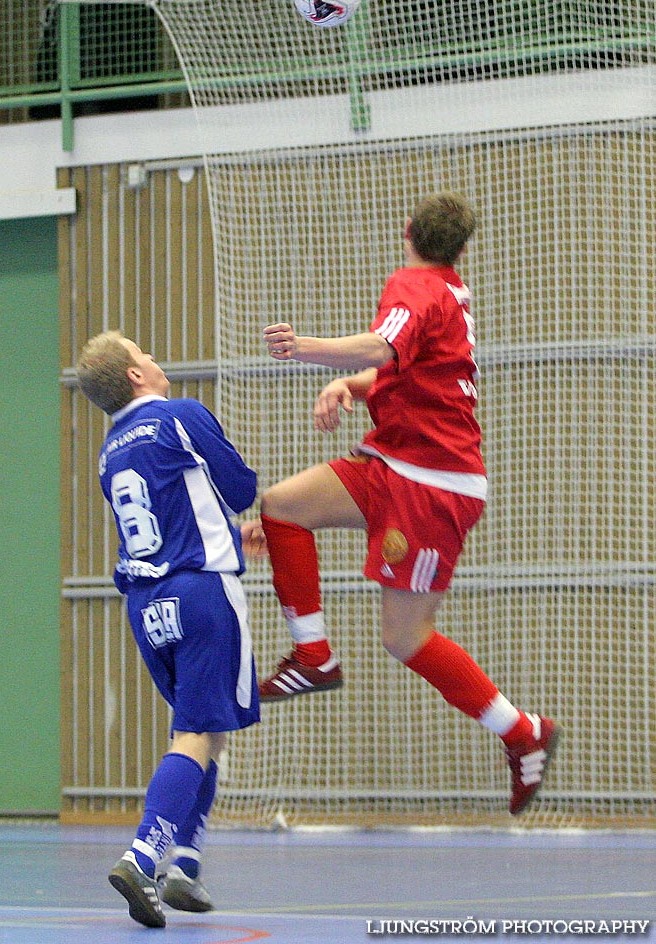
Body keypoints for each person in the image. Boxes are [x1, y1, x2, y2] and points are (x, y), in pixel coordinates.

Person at [258, 192, 558, 815]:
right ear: (462, 247)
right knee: (283, 506)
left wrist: (303, 347)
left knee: (405, 636)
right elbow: (400, 370)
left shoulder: (417, 285)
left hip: (432, 486)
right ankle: (313, 655)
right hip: (393, 463)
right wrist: (346, 383)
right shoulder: (448, 292)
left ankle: (521, 730)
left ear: (407, 232)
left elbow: (381, 348)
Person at [76, 331, 263, 927]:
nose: (156, 359)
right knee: (197, 735)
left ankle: (185, 864)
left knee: (204, 728)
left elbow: (171, 516)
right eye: (145, 353)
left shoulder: (110, 451)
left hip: (146, 603)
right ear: (135, 375)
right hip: (202, 593)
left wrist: (230, 534)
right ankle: (145, 855)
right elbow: (241, 488)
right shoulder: (178, 417)